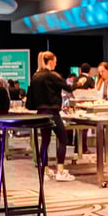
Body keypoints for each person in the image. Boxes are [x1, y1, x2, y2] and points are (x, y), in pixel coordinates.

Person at [26, 51, 74, 181]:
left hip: (40, 114)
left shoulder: (35, 76)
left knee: (45, 141)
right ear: (51, 61)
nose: (56, 64)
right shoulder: (53, 76)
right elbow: (69, 88)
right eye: (55, 61)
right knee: (63, 139)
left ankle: (45, 171)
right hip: (52, 112)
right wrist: (80, 83)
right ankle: (60, 171)